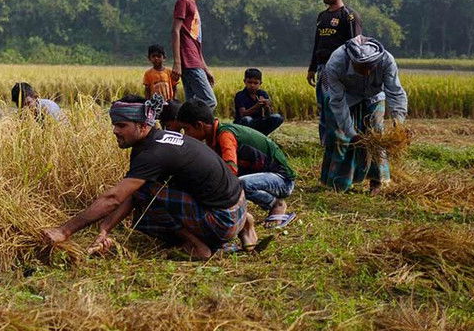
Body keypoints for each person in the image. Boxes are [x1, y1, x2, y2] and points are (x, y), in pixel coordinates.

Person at [40, 95, 257, 260]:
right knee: (145, 191)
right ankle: (244, 225)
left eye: (122, 125)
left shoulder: (153, 153)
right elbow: (129, 196)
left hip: (223, 220)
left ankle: (198, 246)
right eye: (114, 124)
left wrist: (64, 230)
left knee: (146, 202)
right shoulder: (159, 140)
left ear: (143, 126)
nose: (115, 130)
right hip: (239, 206)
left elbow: (114, 198)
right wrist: (105, 229)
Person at [175, 99, 297, 228]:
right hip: (262, 175)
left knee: (239, 184)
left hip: (282, 180)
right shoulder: (213, 138)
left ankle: (275, 204)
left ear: (199, 125)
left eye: (187, 129)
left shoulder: (225, 135)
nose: (186, 135)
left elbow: (230, 170)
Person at [319, 36, 408, 193]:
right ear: (353, 62)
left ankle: (377, 181)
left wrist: (398, 123)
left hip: (374, 96)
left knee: (376, 135)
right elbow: (337, 101)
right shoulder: (336, 63)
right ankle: (339, 183)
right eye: (362, 67)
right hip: (346, 96)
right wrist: (351, 132)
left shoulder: (386, 60)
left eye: (370, 67)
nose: (367, 72)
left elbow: (395, 92)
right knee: (342, 138)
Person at [306, 0, 362, 148]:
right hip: (323, 70)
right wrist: (312, 68)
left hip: (340, 71)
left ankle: (344, 141)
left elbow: (356, 46)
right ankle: (326, 143)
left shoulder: (349, 16)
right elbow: (317, 43)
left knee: (337, 105)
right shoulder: (322, 16)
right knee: (323, 105)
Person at [171, 0, 218, 111]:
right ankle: (190, 123)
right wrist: (177, 62)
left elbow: (196, 43)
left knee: (191, 102)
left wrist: (205, 68)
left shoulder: (194, 6)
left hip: (195, 60)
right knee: (209, 101)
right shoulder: (183, 2)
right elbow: (175, 30)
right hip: (189, 61)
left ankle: (187, 130)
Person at [232, 68, 283, 135]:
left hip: (258, 122)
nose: (252, 85)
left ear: (260, 83)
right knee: (247, 119)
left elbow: (268, 115)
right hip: (243, 124)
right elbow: (243, 114)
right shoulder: (240, 95)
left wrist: (266, 106)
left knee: (277, 117)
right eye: (250, 82)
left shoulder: (262, 94)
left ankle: (262, 136)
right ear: (245, 81)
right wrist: (257, 106)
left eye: (256, 83)